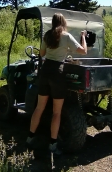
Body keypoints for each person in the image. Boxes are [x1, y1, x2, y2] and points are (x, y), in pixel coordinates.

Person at [27, 13, 87, 155]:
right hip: (57, 73)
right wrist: (83, 37)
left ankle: (30, 138)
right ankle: (53, 144)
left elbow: (41, 54)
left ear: (53, 22)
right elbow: (83, 51)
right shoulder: (66, 36)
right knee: (56, 112)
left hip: (45, 71)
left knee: (39, 108)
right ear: (63, 22)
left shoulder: (47, 35)